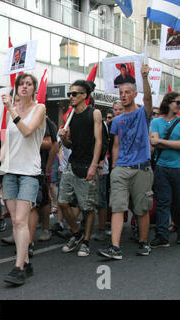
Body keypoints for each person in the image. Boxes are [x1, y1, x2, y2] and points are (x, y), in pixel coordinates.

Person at [98, 64, 154, 260]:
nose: (123, 95)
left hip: (141, 168)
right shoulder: (118, 120)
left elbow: (148, 100)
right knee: (118, 206)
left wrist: (144, 78)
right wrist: (114, 168)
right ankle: (115, 247)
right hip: (121, 168)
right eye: (121, 92)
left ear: (134, 94)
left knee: (141, 209)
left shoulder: (142, 114)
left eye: (127, 92)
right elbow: (116, 145)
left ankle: (144, 242)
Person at [0, 73, 46, 286]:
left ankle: (18, 267)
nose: (24, 87)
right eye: (21, 84)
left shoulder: (40, 109)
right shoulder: (12, 111)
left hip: (29, 172)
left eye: (29, 84)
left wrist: (10, 109)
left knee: (20, 220)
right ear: (16, 87)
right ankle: (26, 263)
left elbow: (27, 131)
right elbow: (7, 144)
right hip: (9, 172)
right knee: (15, 221)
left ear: (34, 89)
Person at [58, 80, 102, 257]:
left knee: (88, 207)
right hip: (72, 164)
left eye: (74, 94)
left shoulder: (95, 113)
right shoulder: (70, 116)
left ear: (84, 95)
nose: (71, 97)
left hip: (87, 165)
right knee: (62, 202)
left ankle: (86, 241)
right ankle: (76, 233)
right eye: (69, 94)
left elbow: (99, 141)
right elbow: (70, 145)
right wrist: (63, 138)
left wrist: (94, 165)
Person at [149, 92, 180, 247]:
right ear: (168, 103)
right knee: (163, 202)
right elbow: (153, 143)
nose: (179, 105)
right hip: (161, 167)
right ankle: (162, 236)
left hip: (178, 168)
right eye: (177, 102)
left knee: (178, 202)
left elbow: (158, 141)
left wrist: (161, 141)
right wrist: (169, 143)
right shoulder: (156, 122)